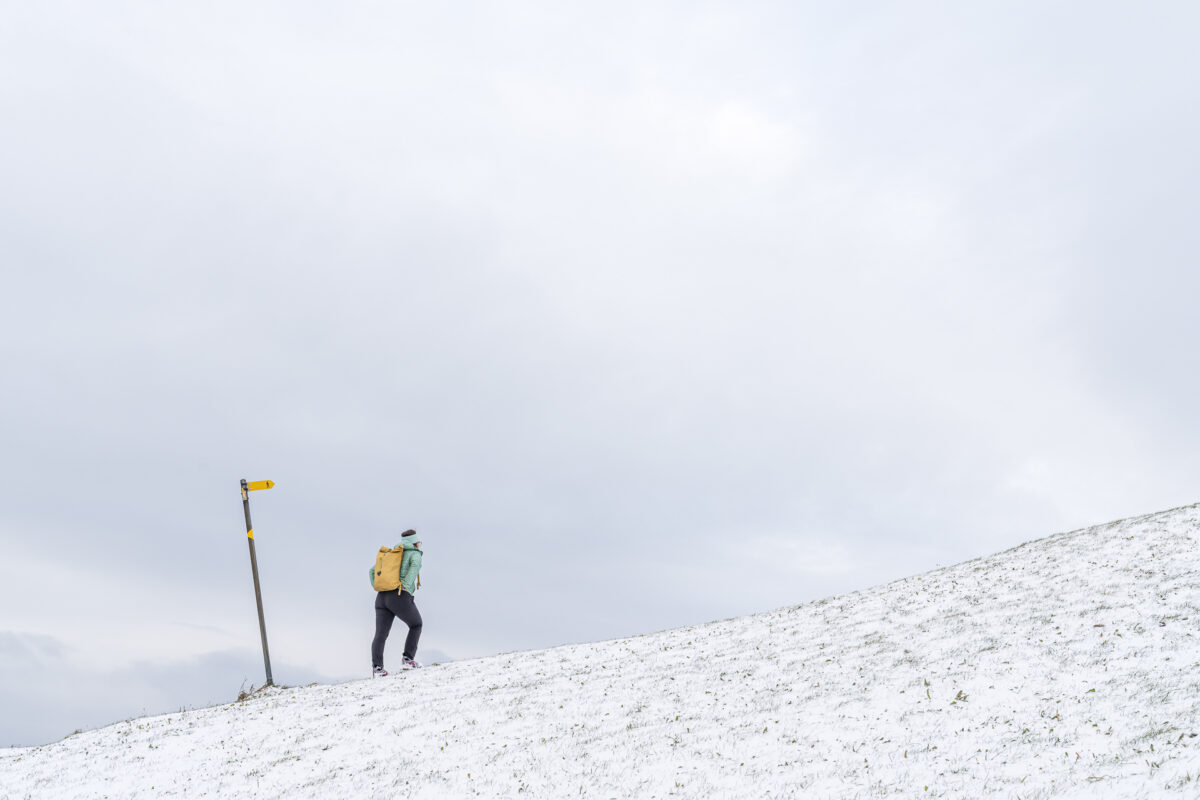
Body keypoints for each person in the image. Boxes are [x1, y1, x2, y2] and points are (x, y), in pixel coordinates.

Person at [369, 528, 424, 676]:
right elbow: (413, 572)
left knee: (380, 634)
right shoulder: (415, 554)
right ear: (415, 542)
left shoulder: (392, 553)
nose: (420, 544)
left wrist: (377, 586)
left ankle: (377, 669)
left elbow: (371, 571)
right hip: (398, 595)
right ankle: (407, 659)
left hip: (381, 597)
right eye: (419, 542)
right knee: (416, 624)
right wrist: (403, 588)